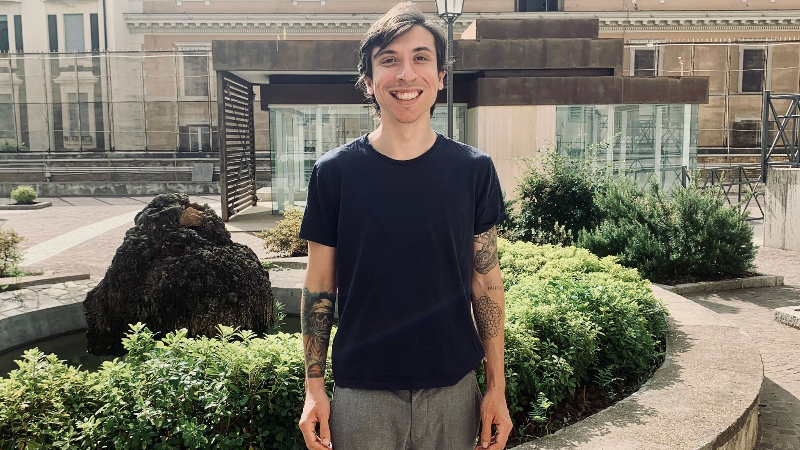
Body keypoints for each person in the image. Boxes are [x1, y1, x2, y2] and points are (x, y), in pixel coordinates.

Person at [297, 3, 512, 449]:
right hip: (362, 396)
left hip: (454, 392)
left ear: (440, 76)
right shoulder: (334, 174)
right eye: (389, 60)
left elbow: (486, 281)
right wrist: (313, 389)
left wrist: (497, 388)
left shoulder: (473, 170)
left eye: (420, 58)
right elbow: (319, 285)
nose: (406, 74)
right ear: (369, 80)